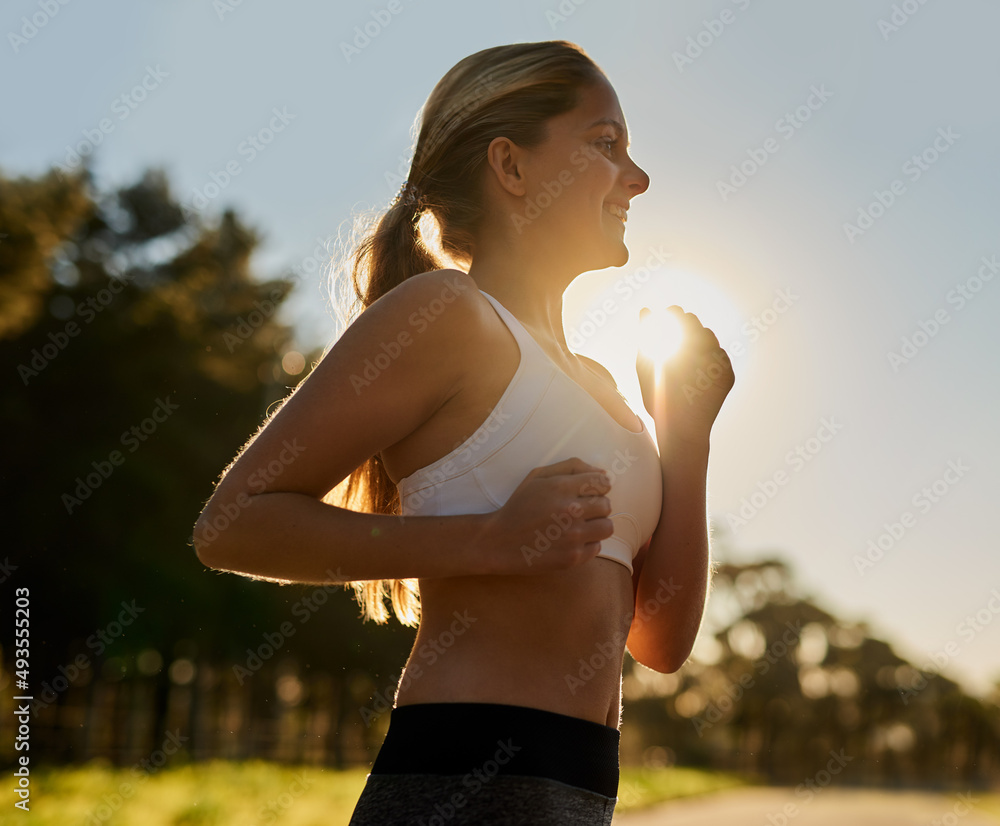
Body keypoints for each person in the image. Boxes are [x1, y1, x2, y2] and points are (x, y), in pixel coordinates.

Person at [193, 39, 734, 826]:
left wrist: (686, 442)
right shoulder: (447, 316)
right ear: (511, 168)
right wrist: (491, 540)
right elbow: (231, 525)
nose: (638, 176)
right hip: (460, 785)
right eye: (605, 143)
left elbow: (658, 640)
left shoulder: (610, 392)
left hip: (582, 792)